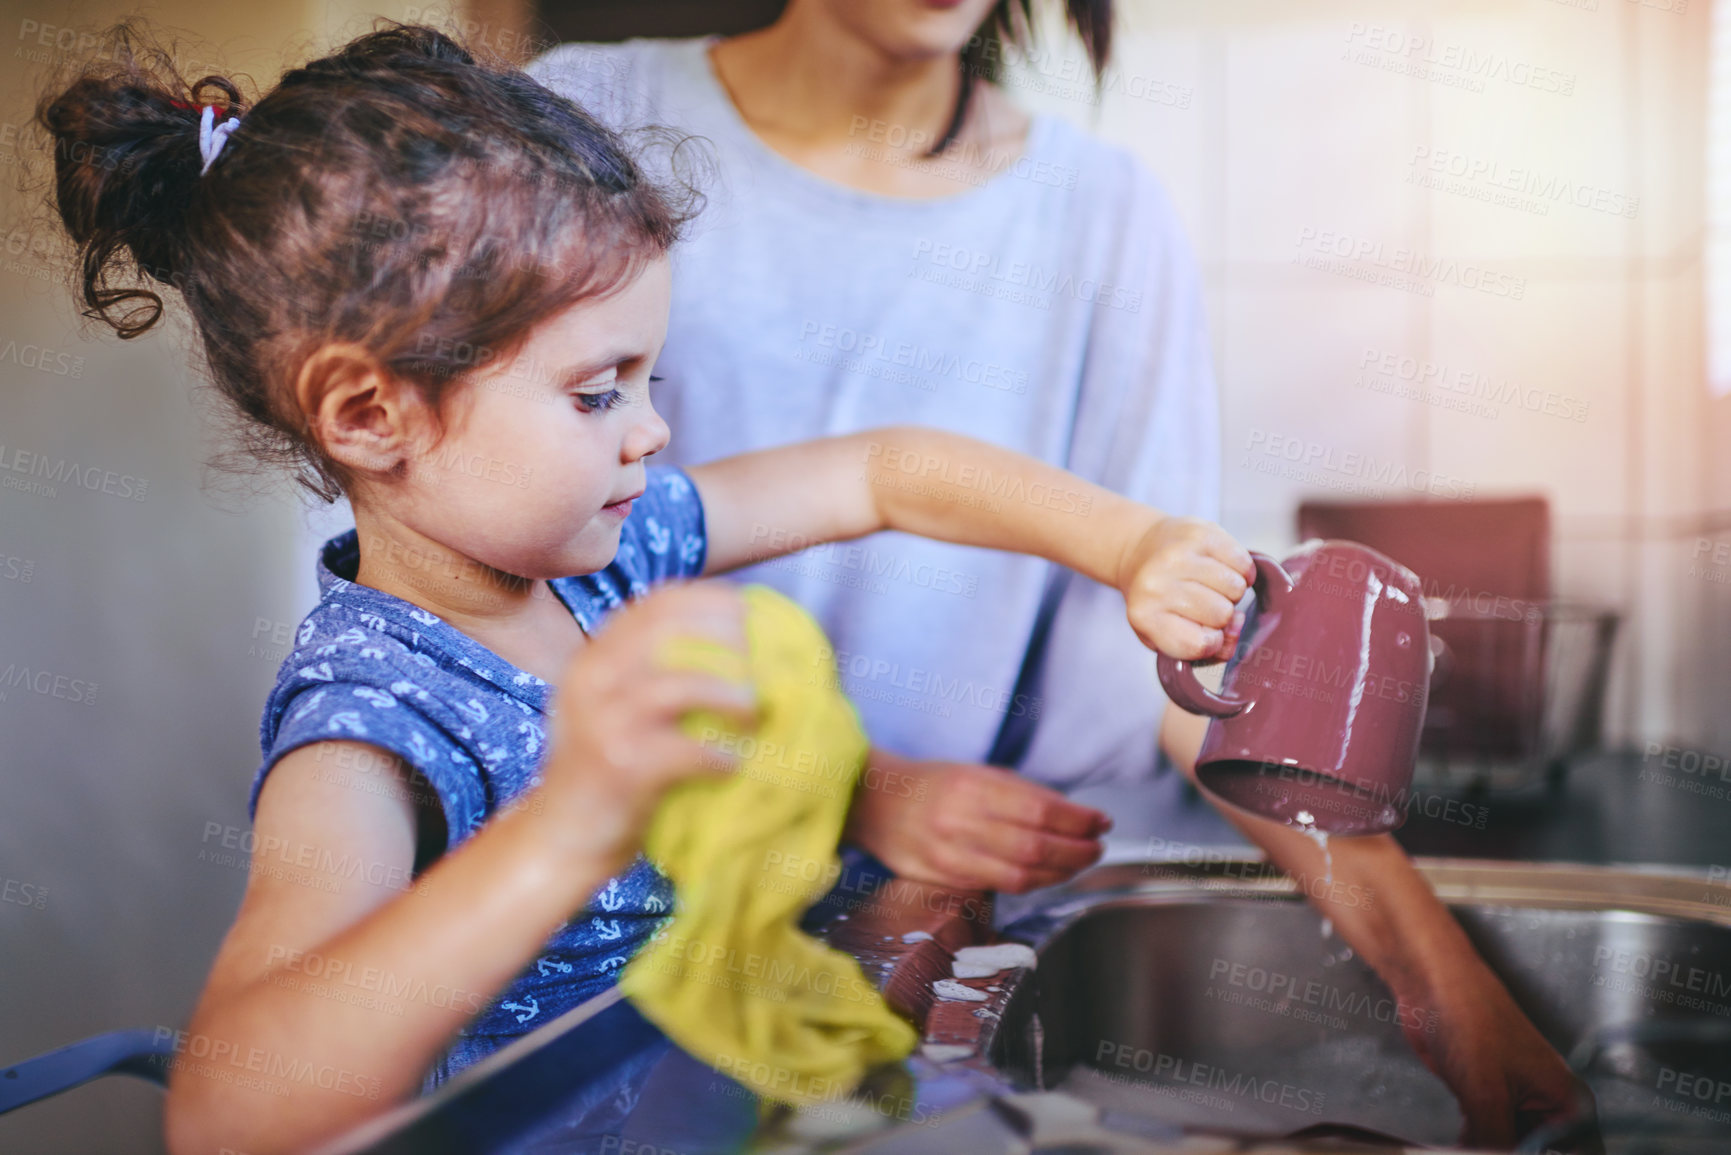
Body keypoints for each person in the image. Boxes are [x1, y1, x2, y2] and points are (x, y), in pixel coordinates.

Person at [37, 22, 1254, 1155]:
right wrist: (578, 823)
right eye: (597, 391)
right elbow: (228, 1113)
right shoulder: (372, 721)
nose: (652, 432)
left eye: (649, 377)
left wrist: (1134, 543)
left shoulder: (617, 556)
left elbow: (887, 470)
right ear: (370, 415)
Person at [525, 2, 1597, 1148]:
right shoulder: (592, 122)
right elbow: (506, 569)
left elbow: (1188, 668)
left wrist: (1436, 975)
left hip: (967, 908)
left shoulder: (1104, 216)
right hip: (634, 922)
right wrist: (859, 788)